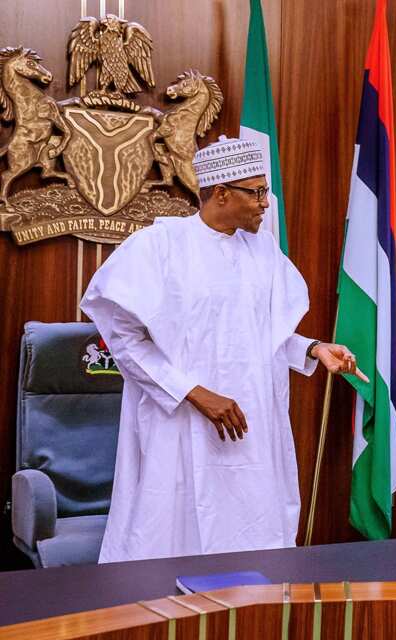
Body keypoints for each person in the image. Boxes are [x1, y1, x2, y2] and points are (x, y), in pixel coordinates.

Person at [81, 136, 362, 562]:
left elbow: (261, 334)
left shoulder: (263, 251)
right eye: (257, 192)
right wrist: (194, 393)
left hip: (252, 428)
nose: (265, 204)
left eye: (266, 192)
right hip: (180, 424)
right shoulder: (159, 246)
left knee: (252, 536)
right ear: (221, 193)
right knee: (173, 535)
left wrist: (313, 348)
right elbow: (124, 338)